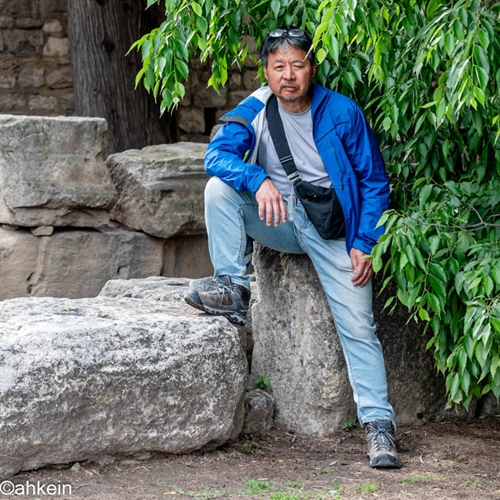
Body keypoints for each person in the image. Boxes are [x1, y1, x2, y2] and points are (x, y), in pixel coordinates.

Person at [184, 26, 401, 469]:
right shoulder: (256, 106)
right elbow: (216, 156)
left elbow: (374, 182)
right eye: (278, 66)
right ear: (266, 71)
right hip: (278, 218)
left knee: (359, 327)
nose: (288, 75)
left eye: (297, 65)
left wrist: (365, 242)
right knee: (218, 190)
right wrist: (257, 178)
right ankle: (233, 287)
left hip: (333, 229)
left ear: (311, 69)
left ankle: (379, 427)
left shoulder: (342, 112)